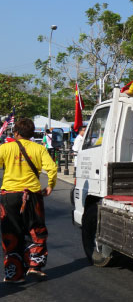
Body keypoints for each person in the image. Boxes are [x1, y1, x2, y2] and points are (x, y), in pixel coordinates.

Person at [0, 118, 57, 282]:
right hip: (32, 195)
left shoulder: (5, 148)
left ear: (16, 133)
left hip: (9, 196)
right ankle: (34, 266)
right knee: (36, 229)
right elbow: (52, 168)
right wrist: (50, 185)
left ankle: (14, 273)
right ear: (32, 134)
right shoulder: (39, 149)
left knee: (11, 232)